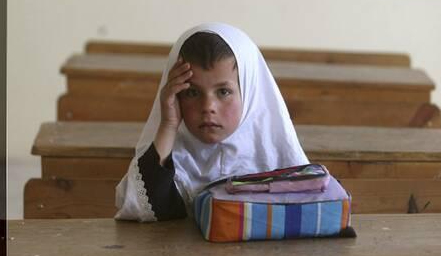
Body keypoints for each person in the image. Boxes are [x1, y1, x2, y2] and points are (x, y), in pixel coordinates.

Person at [114, 22, 309, 222]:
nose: (208, 106)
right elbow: (140, 209)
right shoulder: (170, 154)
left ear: (249, 92)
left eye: (223, 92)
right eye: (192, 92)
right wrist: (168, 125)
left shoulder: (277, 157)